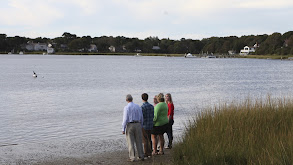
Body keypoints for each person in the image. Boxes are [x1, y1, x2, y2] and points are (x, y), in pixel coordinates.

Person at [122, 94, 144, 162]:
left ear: (126, 100)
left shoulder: (126, 108)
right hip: (138, 124)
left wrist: (123, 128)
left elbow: (125, 119)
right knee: (139, 141)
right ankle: (141, 155)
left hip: (130, 125)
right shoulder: (137, 106)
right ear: (132, 99)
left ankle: (132, 157)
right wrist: (141, 125)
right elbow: (141, 117)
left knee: (130, 142)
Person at [141, 93, 154, 157]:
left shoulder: (142, 107)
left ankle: (146, 152)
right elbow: (153, 115)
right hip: (150, 124)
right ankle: (150, 151)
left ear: (142, 98)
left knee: (145, 139)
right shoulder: (151, 106)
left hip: (145, 125)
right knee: (149, 138)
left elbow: (142, 117)